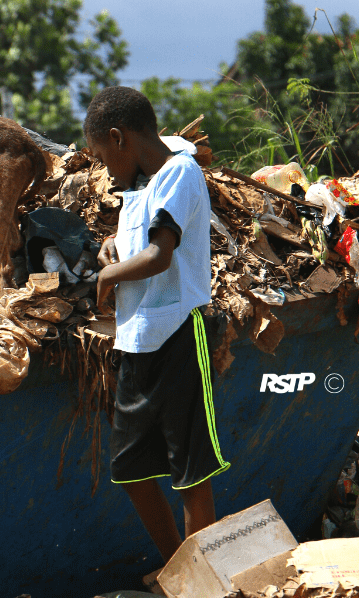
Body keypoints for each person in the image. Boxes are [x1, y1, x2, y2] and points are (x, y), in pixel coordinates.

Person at [85, 86, 230, 565]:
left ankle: (200, 581)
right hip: (137, 342)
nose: (106, 169)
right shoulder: (141, 189)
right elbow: (137, 244)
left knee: (191, 472)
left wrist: (106, 276)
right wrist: (112, 249)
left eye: (104, 156)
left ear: (119, 137)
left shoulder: (180, 172)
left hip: (179, 336)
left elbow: (159, 254)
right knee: (129, 468)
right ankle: (179, 571)